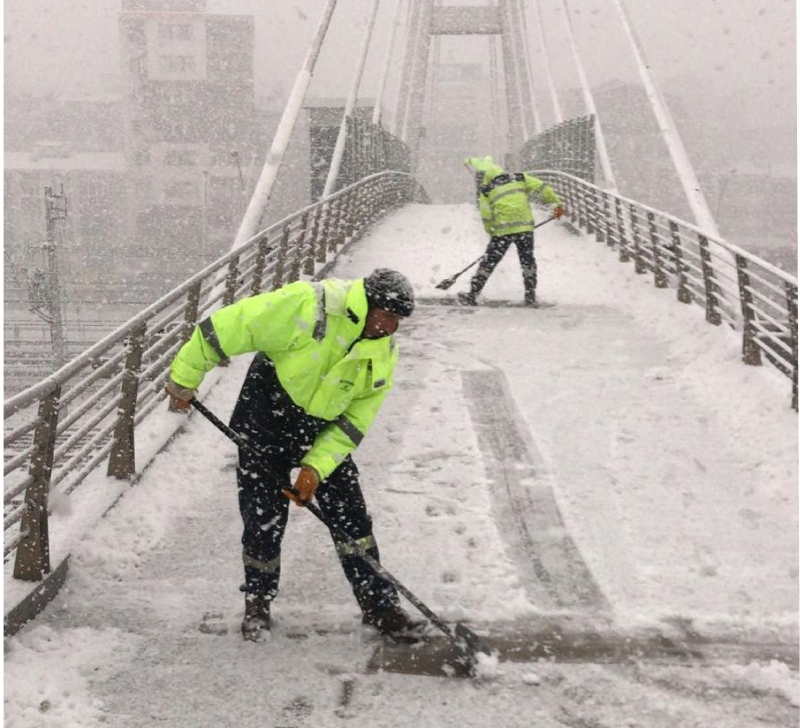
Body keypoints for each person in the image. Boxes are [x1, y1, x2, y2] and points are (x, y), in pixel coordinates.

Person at [165, 269, 423, 642]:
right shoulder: (309, 306)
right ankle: (258, 602)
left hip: (322, 428)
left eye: (399, 321)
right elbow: (225, 328)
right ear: (368, 305)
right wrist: (185, 378)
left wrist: (316, 468)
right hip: (265, 418)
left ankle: (380, 606)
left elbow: (355, 421)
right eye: (388, 316)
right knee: (263, 519)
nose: (392, 327)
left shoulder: (383, 348)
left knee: (352, 519)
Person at [458, 156, 566, 306]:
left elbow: (486, 215)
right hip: (525, 228)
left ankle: (472, 294)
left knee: (489, 262)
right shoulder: (519, 178)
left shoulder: (487, 190)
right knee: (527, 261)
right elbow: (542, 187)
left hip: (503, 230)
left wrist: (492, 232)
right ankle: (530, 296)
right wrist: (556, 204)